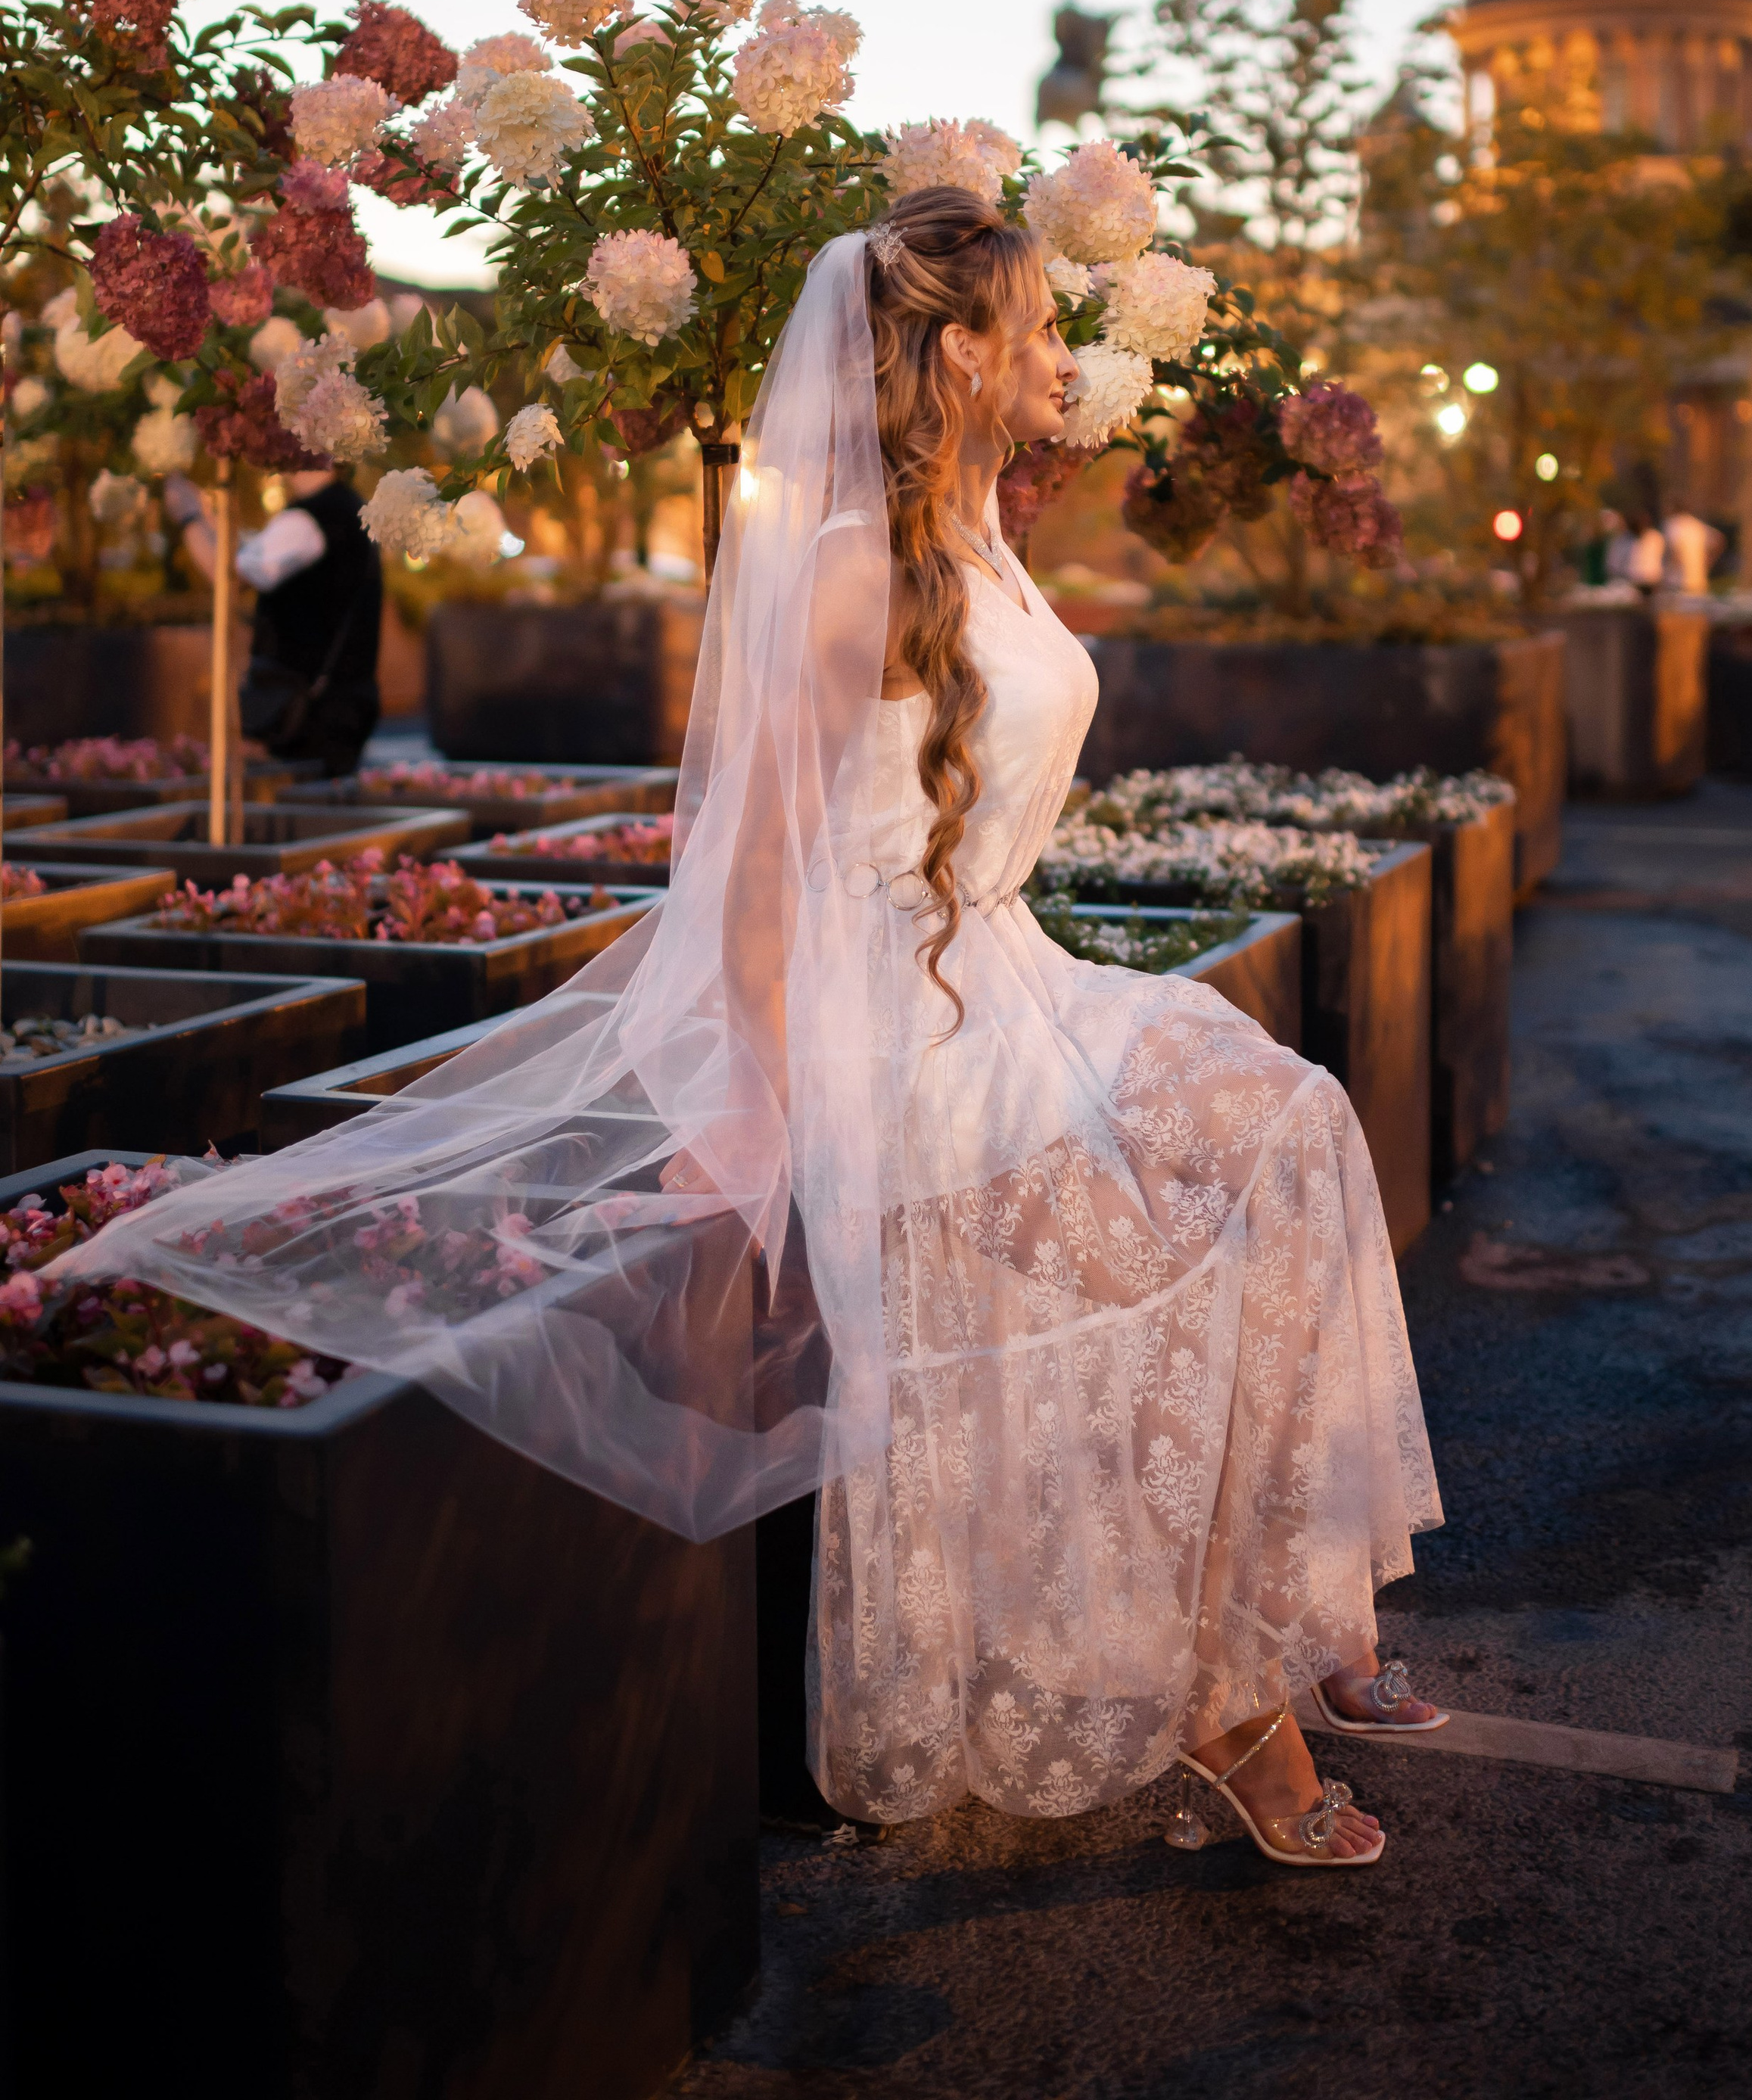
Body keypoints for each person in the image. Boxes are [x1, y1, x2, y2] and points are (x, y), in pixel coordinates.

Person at [58, 191, 1442, 1870]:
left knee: (1288, 1131)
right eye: (1038, 324)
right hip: (889, 1023)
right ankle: (1235, 1705)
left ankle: (1279, 1617)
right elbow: (753, 874)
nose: (1066, 353)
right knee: (1160, 1225)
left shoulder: (984, 525)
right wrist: (768, 1120)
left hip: (995, 969)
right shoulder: (852, 569)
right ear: (956, 351)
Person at [166, 463, 384, 777]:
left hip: (304, 715)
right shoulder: (346, 506)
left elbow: (227, 575)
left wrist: (189, 516)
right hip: (334, 705)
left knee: (294, 811)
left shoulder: (311, 517)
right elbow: (250, 559)